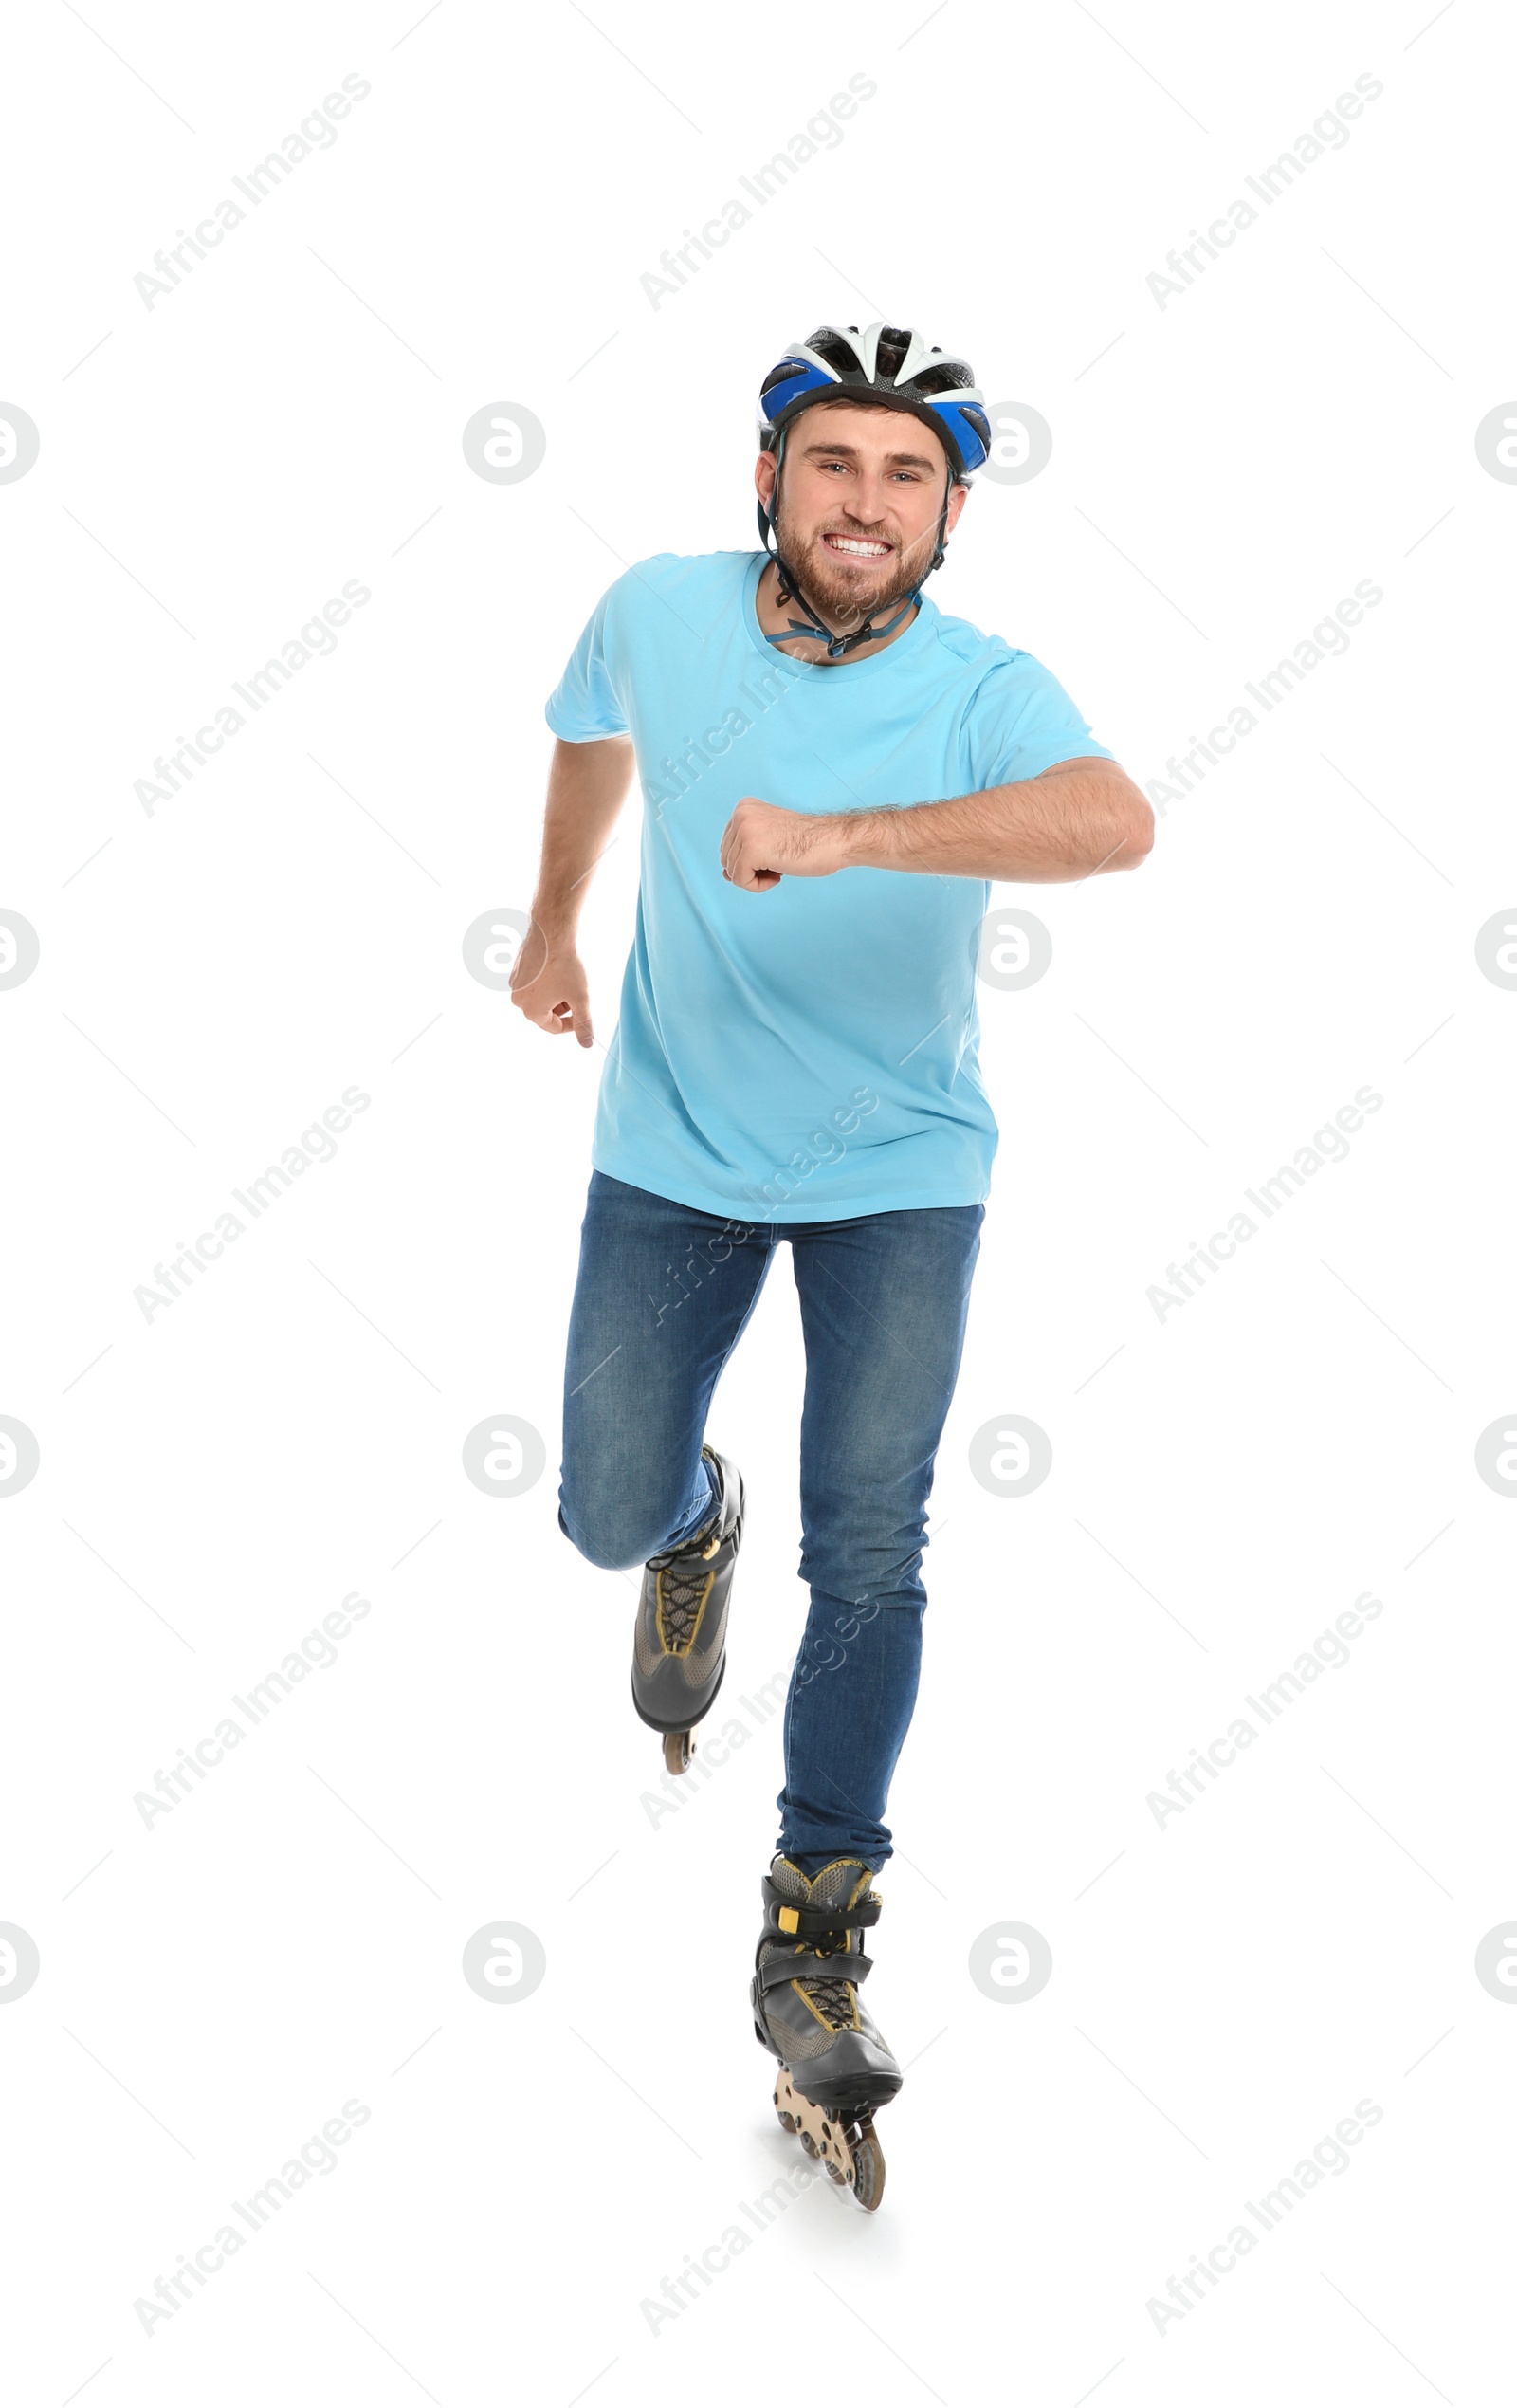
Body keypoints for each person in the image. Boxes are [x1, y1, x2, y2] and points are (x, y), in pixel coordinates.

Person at [513, 321, 1152, 2205]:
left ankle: (814, 1933)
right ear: (769, 481)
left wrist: (854, 833)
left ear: (948, 509)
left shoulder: (982, 685)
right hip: (673, 1153)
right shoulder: (657, 603)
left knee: (870, 1535)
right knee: (598, 1511)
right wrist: (551, 922)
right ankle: (684, 1529)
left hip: (897, 1170)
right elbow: (585, 731)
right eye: (832, 464)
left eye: (904, 476)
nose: (862, 503)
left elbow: (1110, 822)